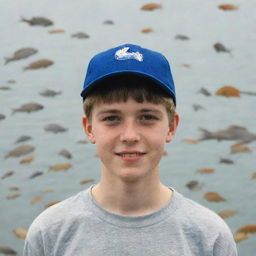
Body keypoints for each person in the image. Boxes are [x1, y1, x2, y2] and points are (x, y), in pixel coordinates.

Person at [23, 43, 238, 256]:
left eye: (147, 117)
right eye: (111, 118)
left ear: (171, 127)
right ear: (89, 128)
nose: (129, 136)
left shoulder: (209, 237)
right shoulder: (49, 233)